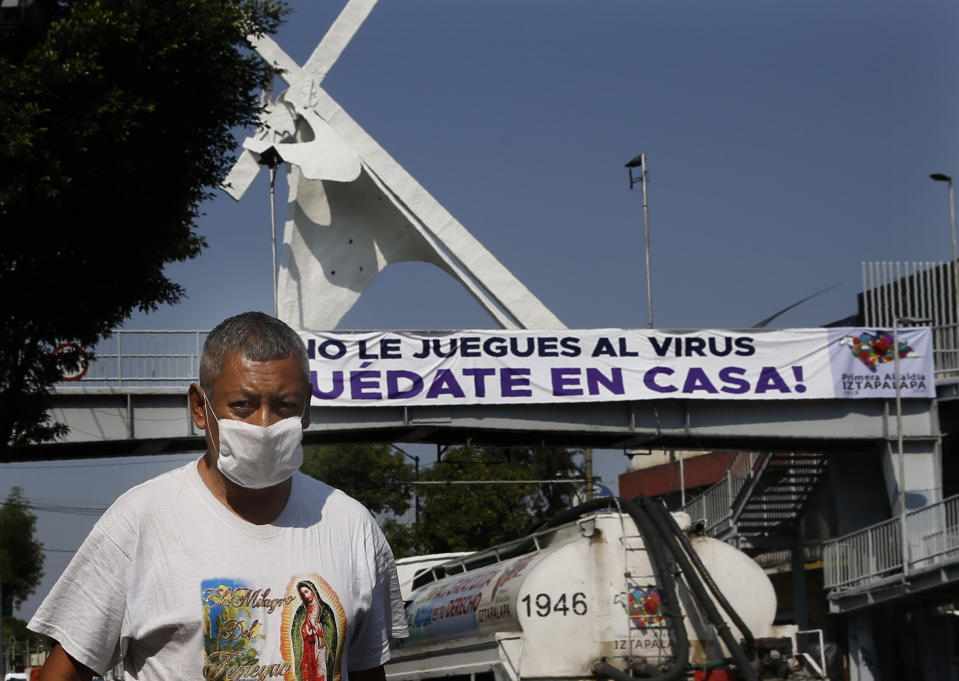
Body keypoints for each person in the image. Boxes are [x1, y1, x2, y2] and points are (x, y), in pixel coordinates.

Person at [29, 311, 408, 681]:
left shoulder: (352, 527)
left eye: (284, 406)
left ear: (306, 408)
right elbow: (64, 671)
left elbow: (366, 668)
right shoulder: (140, 521)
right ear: (199, 407)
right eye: (242, 405)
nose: (263, 425)